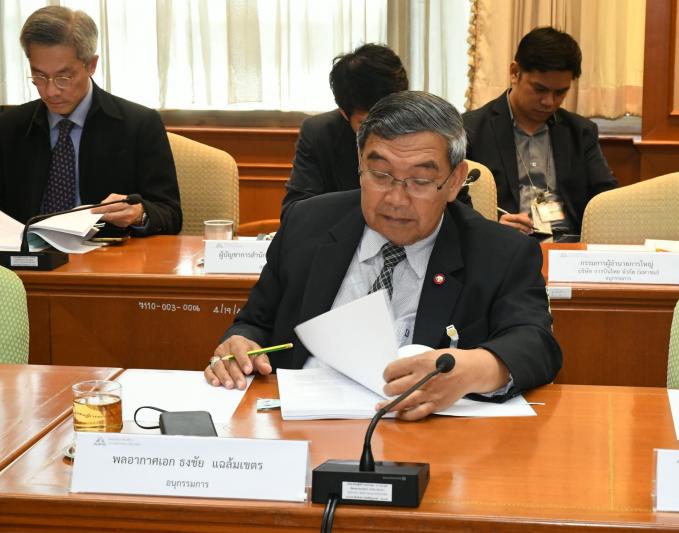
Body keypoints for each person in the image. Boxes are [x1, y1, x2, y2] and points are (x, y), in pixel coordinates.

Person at [206, 91, 562, 421]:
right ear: (360, 165)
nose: (395, 198)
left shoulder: (500, 252)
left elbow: (535, 344)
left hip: (426, 435)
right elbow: (255, 322)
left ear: (455, 181)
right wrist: (240, 344)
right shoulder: (307, 223)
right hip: (306, 426)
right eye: (380, 174)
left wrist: (470, 369)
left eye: (420, 181)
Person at [0, 6, 182, 237]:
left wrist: (139, 214)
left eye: (64, 77)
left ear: (91, 65)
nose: (50, 91)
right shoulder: (9, 127)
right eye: (39, 76)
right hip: (26, 255)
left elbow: (170, 214)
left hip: (107, 255)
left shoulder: (139, 125)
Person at [463, 26, 617, 241]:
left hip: (569, 245)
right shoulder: (471, 130)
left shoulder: (580, 132)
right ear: (515, 73)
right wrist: (491, 225)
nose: (549, 102)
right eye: (540, 89)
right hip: (504, 243)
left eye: (560, 92)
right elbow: (454, 202)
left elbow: (607, 198)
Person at [280, 43, 409, 214]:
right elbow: (295, 212)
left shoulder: (430, 131)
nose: (384, 129)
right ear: (344, 114)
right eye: (367, 123)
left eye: (391, 115)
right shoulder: (320, 134)